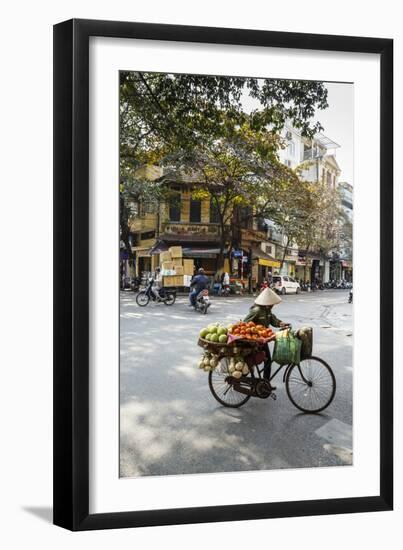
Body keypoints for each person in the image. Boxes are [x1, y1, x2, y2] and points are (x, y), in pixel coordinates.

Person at [243, 287, 290, 381]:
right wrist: (254, 331)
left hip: (263, 340)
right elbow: (245, 323)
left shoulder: (267, 310)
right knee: (252, 361)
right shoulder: (256, 310)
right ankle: (243, 379)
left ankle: (265, 382)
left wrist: (281, 323)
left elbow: (273, 320)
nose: (273, 305)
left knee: (267, 360)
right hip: (254, 341)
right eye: (271, 303)